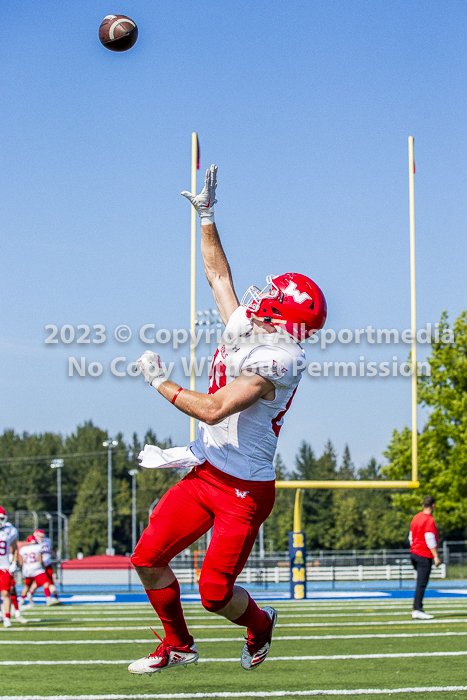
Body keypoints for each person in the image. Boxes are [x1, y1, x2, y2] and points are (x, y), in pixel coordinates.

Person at [130, 164, 327, 675]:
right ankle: (178, 644)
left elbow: (216, 407)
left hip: (244, 489)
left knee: (215, 594)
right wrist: (207, 216)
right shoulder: (253, 327)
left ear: (284, 321)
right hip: (208, 470)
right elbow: (219, 275)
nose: (259, 302)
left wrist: (158, 382)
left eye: (273, 301)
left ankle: (260, 625)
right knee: (147, 558)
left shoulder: (280, 359)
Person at [409, 495, 441, 619]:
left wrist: (414, 548)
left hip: (414, 553)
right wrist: (436, 556)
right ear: (433, 505)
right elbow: (429, 538)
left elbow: (410, 537)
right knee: (422, 583)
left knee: (420, 582)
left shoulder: (416, 517)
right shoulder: (429, 520)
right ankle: (417, 608)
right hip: (423, 554)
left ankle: (417, 607)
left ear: (423, 505)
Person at [19, 535, 57, 606]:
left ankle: (21, 600)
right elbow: (40, 560)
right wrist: (43, 567)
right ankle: (48, 599)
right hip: (37, 569)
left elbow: (21, 562)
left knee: (27, 586)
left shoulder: (23, 549)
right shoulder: (38, 547)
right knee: (46, 583)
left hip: (27, 570)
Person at [0, 506, 19, 628]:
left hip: (5, 567)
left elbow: (15, 547)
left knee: (6, 593)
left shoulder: (10, 530)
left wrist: (14, 562)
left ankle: (7, 617)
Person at [33, 529, 60, 603]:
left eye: (42, 536)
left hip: (47, 564)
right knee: (41, 582)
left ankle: (55, 597)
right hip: (38, 566)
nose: (42, 538)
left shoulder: (47, 541)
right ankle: (49, 598)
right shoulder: (34, 544)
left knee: (49, 582)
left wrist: (56, 558)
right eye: (40, 536)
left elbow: (51, 550)